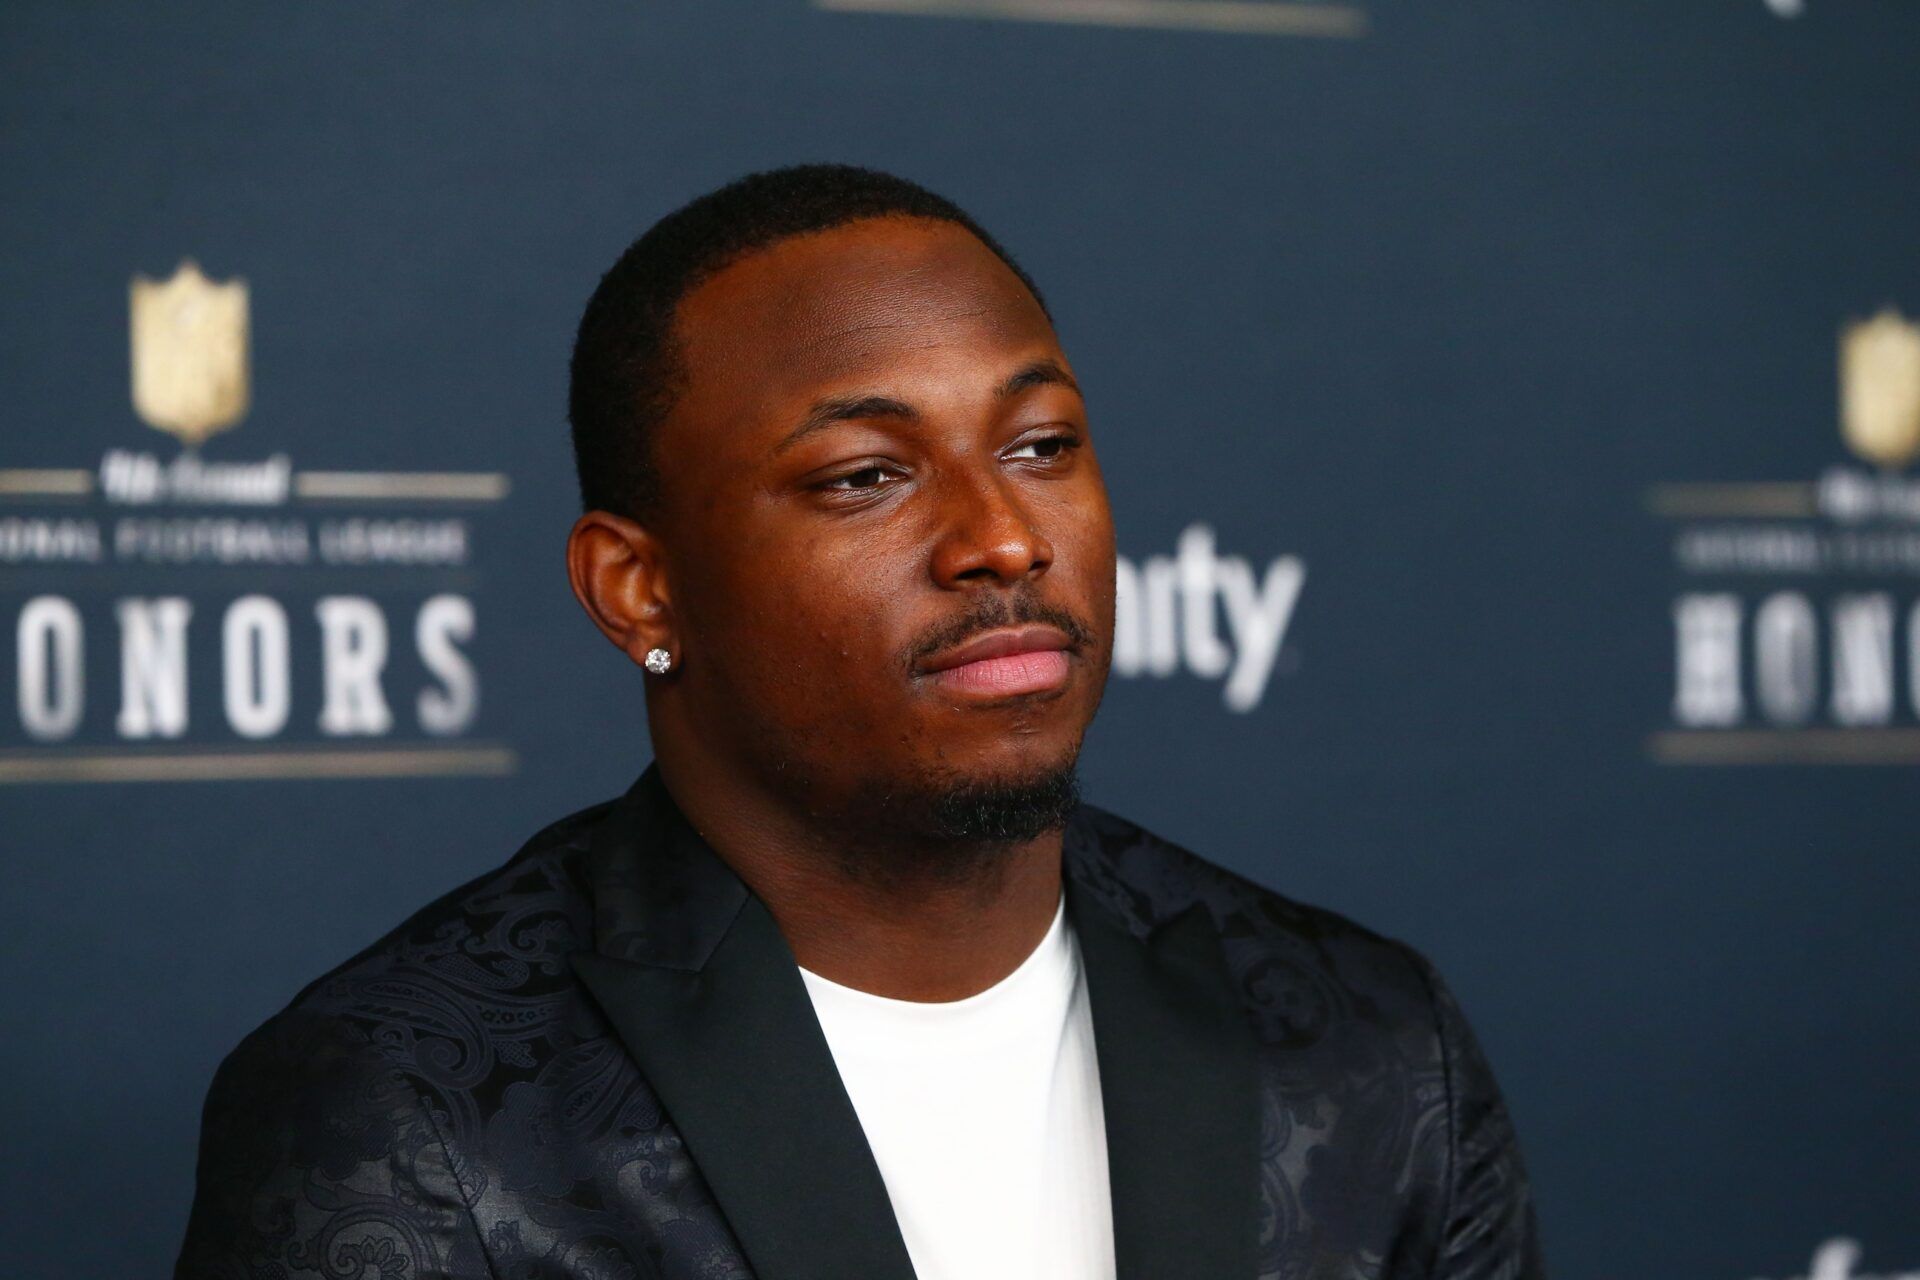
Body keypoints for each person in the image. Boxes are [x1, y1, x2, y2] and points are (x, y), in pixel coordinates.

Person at [175, 163, 1546, 1280]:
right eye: (865, 476)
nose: (1004, 538)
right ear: (637, 586)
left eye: (1041, 446)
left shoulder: (1368, 1043)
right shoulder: (400, 1111)